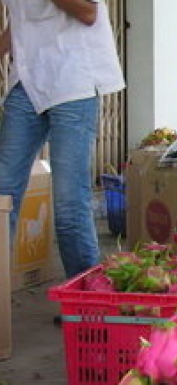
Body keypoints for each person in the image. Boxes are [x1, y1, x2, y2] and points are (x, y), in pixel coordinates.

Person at [0, 0, 126, 279]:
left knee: (69, 202)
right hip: (27, 82)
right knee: (2, 192)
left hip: (74, 80)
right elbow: (23, 18)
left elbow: (88, 11)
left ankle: (84, 303)